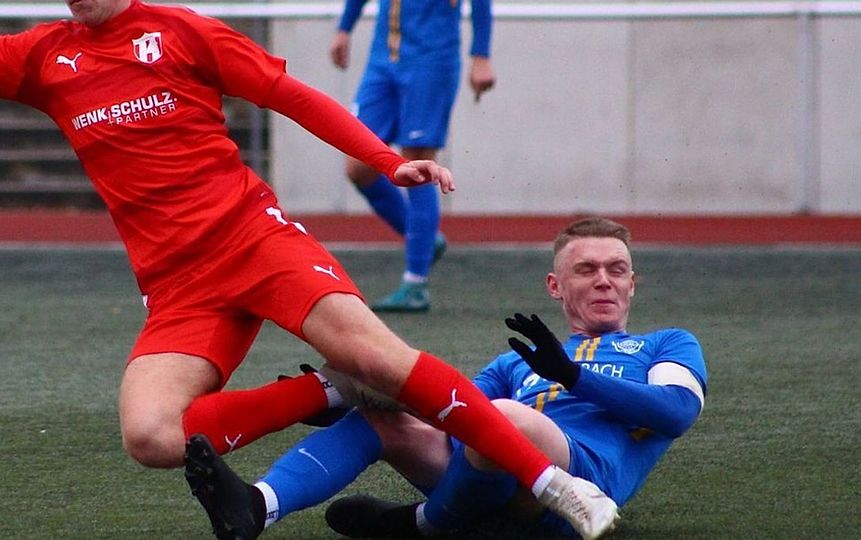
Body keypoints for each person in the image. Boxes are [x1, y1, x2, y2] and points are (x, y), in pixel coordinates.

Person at [0, 3, 616, 539]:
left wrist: (384, 159)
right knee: (151, 437)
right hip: (177, 285)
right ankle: (330, 389)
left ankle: (553, 483)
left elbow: (293, 98)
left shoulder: (185, 34)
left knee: (382, 359)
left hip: (256, 241)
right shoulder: (43, 56)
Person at [187, 217, 707, 539]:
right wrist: (368, 397)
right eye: (586, 269)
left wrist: (574, 377)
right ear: (555, 284)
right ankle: (257, 507)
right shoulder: (517, 362)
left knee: (504, 418)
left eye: (616, 269)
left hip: (583, 479)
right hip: (489, 478)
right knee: (391, 416)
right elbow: (452, 418)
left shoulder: (668, 344)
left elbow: (676, 413)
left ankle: (426, 524)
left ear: (633, 283)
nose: (603, 280)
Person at [328, 0, 496, 312]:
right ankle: (424, 238)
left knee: (416, 162)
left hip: (430, 62)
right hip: (382, 61)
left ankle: (416, 284)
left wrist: (481, 55)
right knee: (358, 164)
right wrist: (344, 29)